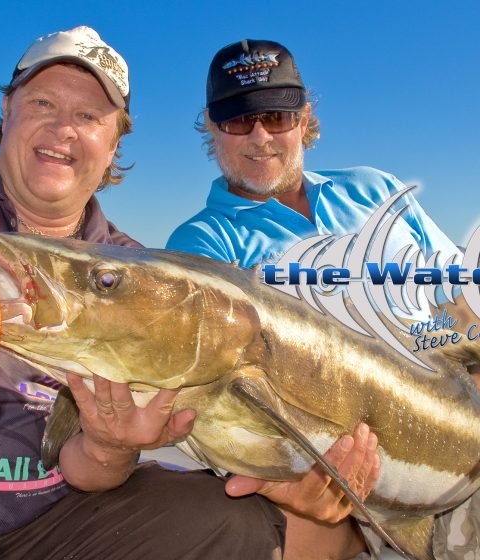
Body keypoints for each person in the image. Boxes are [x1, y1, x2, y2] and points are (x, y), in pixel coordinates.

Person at [0, 27, 379, 560]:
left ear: (115, 142)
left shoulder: (142, 276)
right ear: (8, 110)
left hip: (49, 521)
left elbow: (88, 470)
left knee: (234, 523)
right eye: (43, 102)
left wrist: (110, 446)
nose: (63, 128)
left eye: (90, 117)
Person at [166, 38, 480, 559]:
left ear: (304, 117)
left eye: (276, 116)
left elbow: (460, 295)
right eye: (239, 120)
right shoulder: (201, 246)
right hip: (372, 472)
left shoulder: (376, 189)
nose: (260, 137)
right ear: (213, 128)